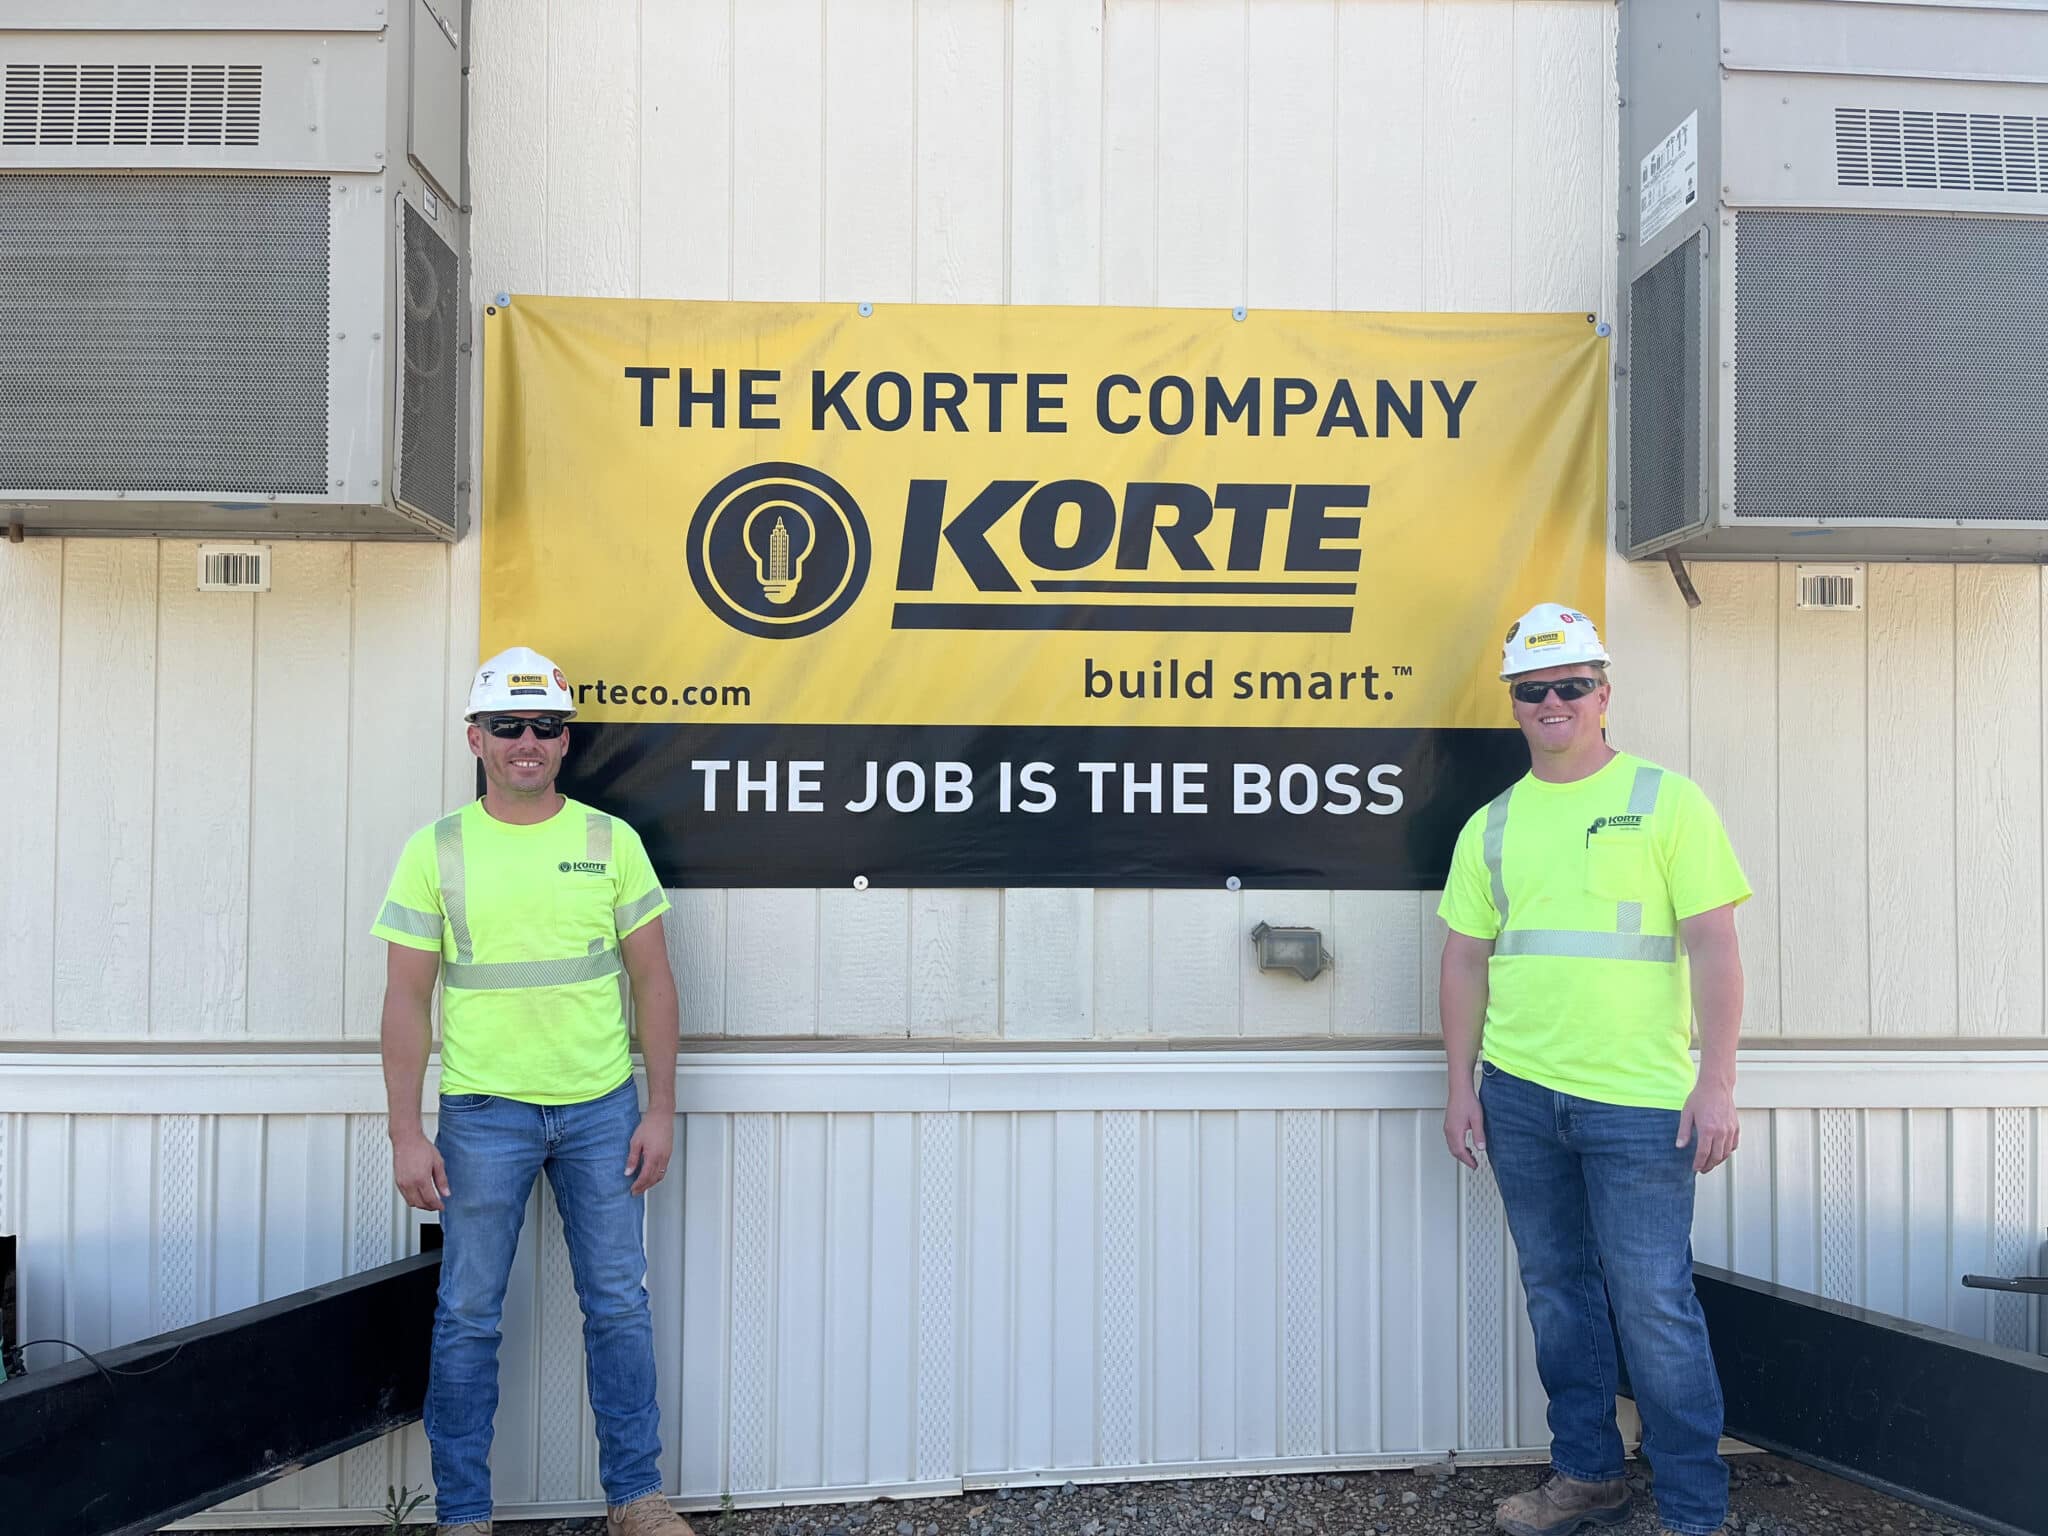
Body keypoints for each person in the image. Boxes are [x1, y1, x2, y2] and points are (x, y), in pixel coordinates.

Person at [1436, 604, 1747, 1536]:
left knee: (1654, 1303)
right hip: (1521, 1097)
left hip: (1641, 1105)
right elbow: (1464, 959)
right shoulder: (1492, 825)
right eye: (1533, 689)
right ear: (1514, 703)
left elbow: (1715, 945)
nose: (1553, 702)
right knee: (1559, 1297)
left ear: (1603, 694)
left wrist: (1718, 1080)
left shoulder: (1668, 801)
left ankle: (1693, 1510)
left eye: (1571, 685)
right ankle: (1587, 1475)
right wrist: (1459, 1086)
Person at [373, 645, 693, 1536]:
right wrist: (406, 1131)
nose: (527, 741)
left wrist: (660, 1107)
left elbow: (654, 982)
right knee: (468, 1316)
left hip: (601, 1110)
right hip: (483, 1115)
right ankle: (463, 1517)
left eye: (545, 726)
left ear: (565, 741)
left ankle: (636, 1500)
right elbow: (405, 999)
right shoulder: (436, 849)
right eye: (508, 725)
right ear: (475, 737)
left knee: (619, 1307)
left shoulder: (609, 842)